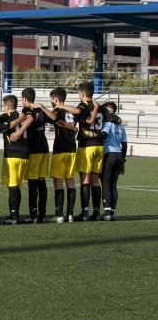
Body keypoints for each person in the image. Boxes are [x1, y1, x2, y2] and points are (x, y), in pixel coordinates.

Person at [55, 82, 105, 221]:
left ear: (82, 94)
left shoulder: (83, 105)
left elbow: (77, 112)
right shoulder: (100, 107)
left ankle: (84, 212)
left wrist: (60, 105)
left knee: (85, 179)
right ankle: (96, 211)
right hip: (100, 146)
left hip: (87, 145)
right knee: (95, 180)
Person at [39, 88, 78, 223]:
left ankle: (59, 214)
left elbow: (55, 118)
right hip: (72, 149)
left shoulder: (56, 110)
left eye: (51, 100)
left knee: (58, 182)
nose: (51, 103)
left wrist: (43, 108)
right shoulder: (72, 112)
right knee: (70, 181)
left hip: (60, 149)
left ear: (56, 99)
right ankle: (71, 214)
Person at [1, 95, 33, 225]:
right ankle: (15, 214)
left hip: (12, 155)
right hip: (24, 155)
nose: (3, 108)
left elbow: (3, 128)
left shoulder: (5, 117)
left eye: (4, 106)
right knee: (17, 186)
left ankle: (13, 216)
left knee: (12, 187)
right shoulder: (24, 117)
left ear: (7, 106)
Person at [21, 87, 49, 223]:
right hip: (44, 147)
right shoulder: (40, 109)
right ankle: (42, 215)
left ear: (25, 99)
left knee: (32, 183)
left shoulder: (27, 110)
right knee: (41, 182)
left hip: (34, 148)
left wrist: (19, 131)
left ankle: (33, 215)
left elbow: (29, 121)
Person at [99, 102, 127, 221]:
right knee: (113, 185)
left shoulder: (108, 123)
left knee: (105, 183)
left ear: (110, 112)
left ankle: (107, 213)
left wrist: (92, 135)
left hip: (109, 154)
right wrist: (123, 159)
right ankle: (112, 211)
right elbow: (124, 144)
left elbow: (103, 135)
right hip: (119, 155)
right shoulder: (121, 126)